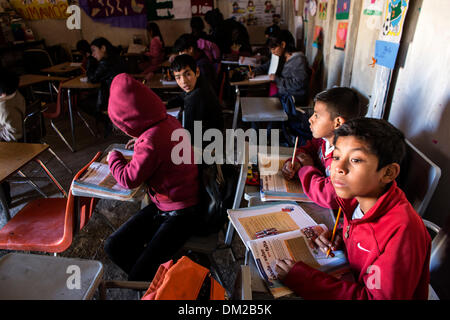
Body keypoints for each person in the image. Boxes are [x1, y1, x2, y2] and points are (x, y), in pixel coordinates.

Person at [275, 118, 432, 300]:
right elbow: (367, 236)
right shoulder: (358, 197)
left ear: (388, 173)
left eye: (356, 160)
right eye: (336, 157)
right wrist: (343, 236)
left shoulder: (402, 232)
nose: (338, 168)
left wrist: (304, 280)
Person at [103, 73, 200, 281]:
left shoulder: (151, 140)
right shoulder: (169, 120)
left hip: (181, 214)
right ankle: (157, 278)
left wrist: (114, 157)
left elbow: (128, 179)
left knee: (132, 269)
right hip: (173, 203)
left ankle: (161, 282)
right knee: (114, 245)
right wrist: (141, 139)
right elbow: (158, 146)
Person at [282, 87, 361, 209]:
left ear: (338, 123)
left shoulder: (347, 158)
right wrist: (294, 163)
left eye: (317, 115)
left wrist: (307, 168)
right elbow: (305, 151)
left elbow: (328, 196)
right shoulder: (323, 141)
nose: (310, 119)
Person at [167, 54, 223, 147]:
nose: (183, 81)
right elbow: (182, 97)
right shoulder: (199, 83)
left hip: (204, 148)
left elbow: (188, 132)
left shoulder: (196, 96)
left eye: (187, 74)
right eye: (178, 77)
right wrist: (164, 105)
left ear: (197, 71)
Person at [249, 29, 309, 105]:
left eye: (274, 49)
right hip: (284, 95)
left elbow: (299, 84)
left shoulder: (298, 59)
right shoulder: (280, 56)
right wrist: (254, 71)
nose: (272, 52)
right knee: (259, 102)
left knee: (264, 105)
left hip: (294, 97)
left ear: (283, 44)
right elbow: (266, 66)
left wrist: (277, 80)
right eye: (271, 49)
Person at [87, 37, 125, 135]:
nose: (93, 54)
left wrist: (90, 60)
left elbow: (92, 78)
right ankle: (110, 122)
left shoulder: (105, 63)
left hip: (109, 100)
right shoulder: (118, 58)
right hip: (120, 96)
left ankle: (109, 121)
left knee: (83, 102)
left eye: (94, 51)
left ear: (103, 48)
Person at [0, 68, 26, 207]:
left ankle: (5, 199)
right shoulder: (17, 95)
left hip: (14, 143)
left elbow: (14, 133)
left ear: (2, 93)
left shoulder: (4, 107)